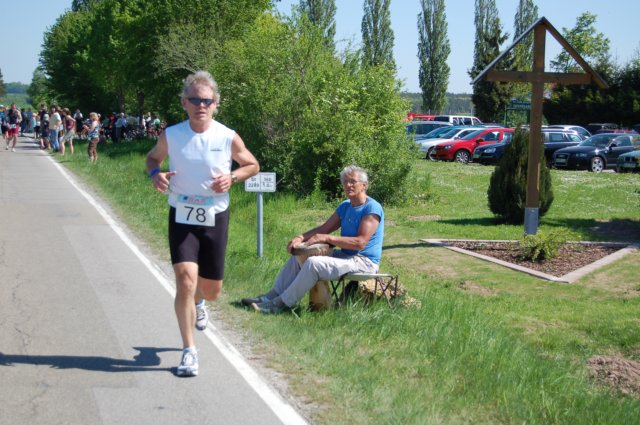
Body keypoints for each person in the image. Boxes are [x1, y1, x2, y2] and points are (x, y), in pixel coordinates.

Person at [145, 70, 259, 377]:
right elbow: (152, 159)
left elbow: (252, 164)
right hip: (181, 214)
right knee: (185, 279)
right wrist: (156, 175)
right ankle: (189, 351)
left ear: (215, 104)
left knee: (210, 290)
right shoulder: (172, 135)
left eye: (207, 101)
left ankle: (200, 303)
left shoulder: (227, 136)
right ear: (184, 102)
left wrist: (232, 177)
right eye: (195, 100)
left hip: (215, 215)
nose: (201, 106)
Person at [242, 165, 384, 314]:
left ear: (364, 185)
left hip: (364, 261)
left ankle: (279, 304)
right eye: (345, 182)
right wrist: (300, 238)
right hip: (346, 257)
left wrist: (327, 238)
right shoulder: (345, 206)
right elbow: (324, 228)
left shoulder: (371, 208)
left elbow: (360, 242)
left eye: (353, 181)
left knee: (313, 263)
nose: (348, 185)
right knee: (300, 256)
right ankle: (268, 297)